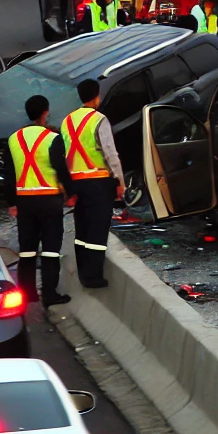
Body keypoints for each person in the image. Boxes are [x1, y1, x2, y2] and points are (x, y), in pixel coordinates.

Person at [8, 94, 73, 305]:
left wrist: (11, 202)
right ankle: (49, 294)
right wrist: (71, 194)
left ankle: (27, 294)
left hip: (25, 202)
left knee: (27, 250)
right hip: (49, 201)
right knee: (51, 249)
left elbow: (8, 174)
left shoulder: (13, 138)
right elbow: (61, 169)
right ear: (46, 112)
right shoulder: (53, 138)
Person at [62, 79, 124, 289]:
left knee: (82, 229)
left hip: (76, 182)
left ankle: (82, 272)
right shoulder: (99, 120)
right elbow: (110, 153)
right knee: (97, 230)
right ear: (97, 95)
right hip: (98, 182)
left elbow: (63, 154)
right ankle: (93, 277)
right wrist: (119, 181)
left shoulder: (67, 121)